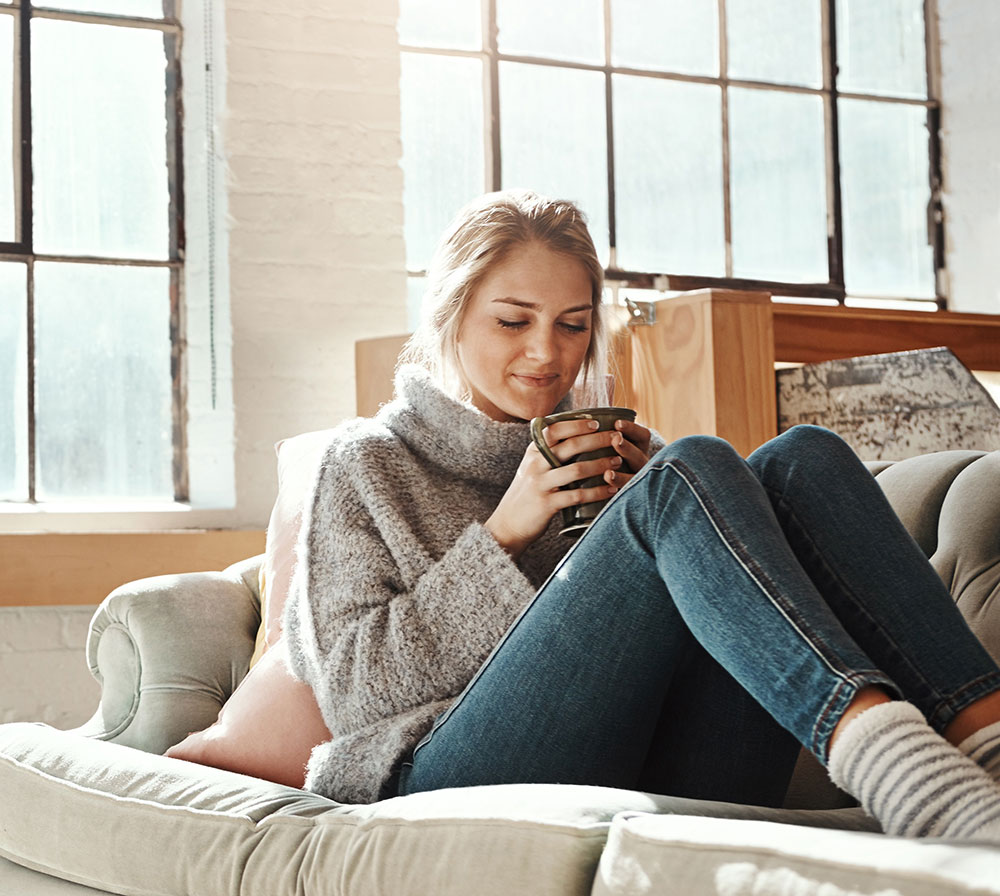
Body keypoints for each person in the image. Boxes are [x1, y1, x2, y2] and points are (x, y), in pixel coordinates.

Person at [283, 189, 1000, 839]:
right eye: (512, 321)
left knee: (801, 458)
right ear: (451, 313)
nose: (546, 353)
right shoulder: (364, 464)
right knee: (685, 473)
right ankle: (904, 773)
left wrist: (646, 502)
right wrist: (505, 532)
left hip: (661, 763)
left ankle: (988, 752)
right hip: (445, 775)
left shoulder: (626, 458)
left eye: (572, 325)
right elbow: (353, 696)